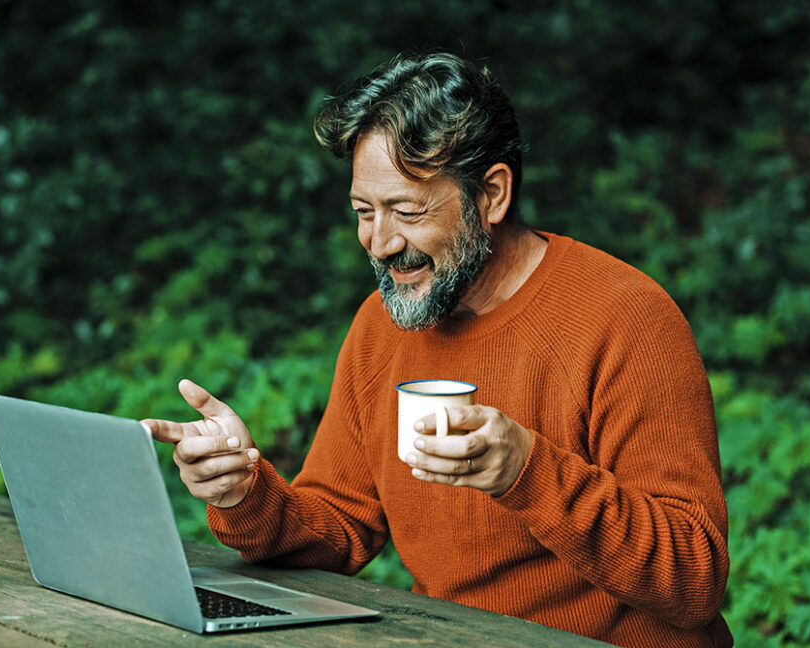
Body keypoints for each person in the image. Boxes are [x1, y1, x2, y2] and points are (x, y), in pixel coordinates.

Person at [143, 52, 733, 648]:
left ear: (492, 196)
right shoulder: (381, 325)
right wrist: (244, 492)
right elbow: (340, 527)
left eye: (406, 210)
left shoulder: (625, 316)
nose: (378, 242)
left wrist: (526, 469)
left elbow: (694, 580)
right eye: (362, 211)